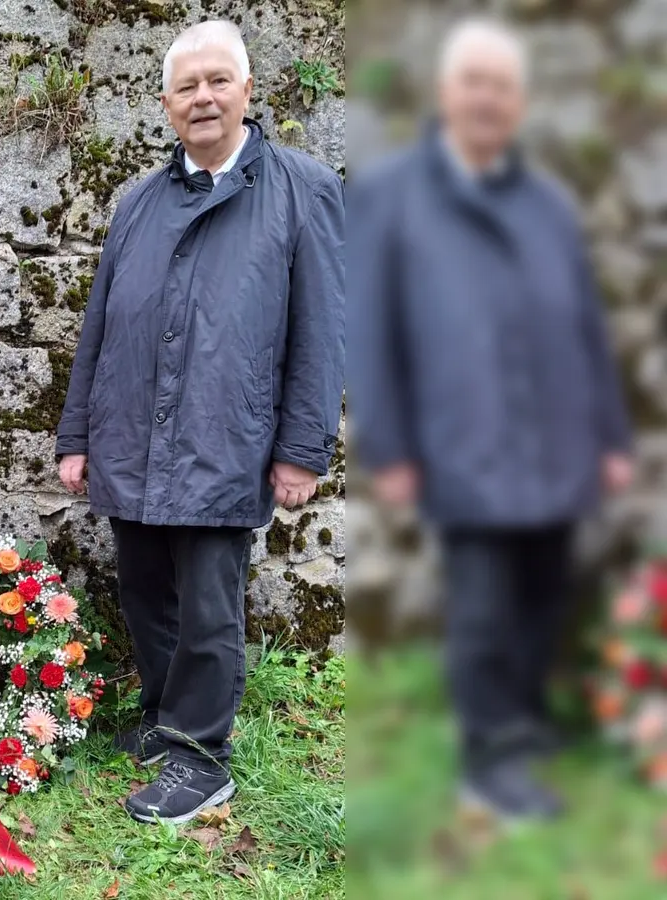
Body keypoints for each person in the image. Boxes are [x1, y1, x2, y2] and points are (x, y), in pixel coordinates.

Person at [55, 20, 345, 824]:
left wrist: (301, 449)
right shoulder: (140, 202)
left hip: (227, 436)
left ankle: (201, 756)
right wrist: (76, 435)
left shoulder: (304, 189)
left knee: (210, 608)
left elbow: (323, 332)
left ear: (249, 90)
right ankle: (162, 720)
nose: (204, 97)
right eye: (187, 87)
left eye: (219, 80)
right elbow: (101, 327)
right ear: (165, 104)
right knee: (146, 590)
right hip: (131, 435)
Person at [348, 18, 633, 822]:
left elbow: (587, 326)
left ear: (519, 102)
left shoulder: (546, 203)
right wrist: (392, 445)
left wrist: (611, 436)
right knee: (481, 606)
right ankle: (491, 760)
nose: (487, 99)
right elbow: (370, 331)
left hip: (560, 439)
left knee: (548, 591)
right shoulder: (393, 195)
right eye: (474, 81)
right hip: (462, 444)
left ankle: (525, 722)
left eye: (502, 86)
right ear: (446, 92)